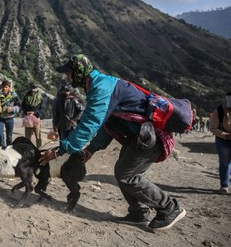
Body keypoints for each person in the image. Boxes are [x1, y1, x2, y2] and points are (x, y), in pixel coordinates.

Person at [39, 54, 186, 231]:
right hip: (138, 138)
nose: (67, 77)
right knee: (123, 171)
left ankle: (170, 207)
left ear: (79, 72)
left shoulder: (101, 88)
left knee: (126, 174)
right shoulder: (99, 85)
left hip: (150, 137)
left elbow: (90, 123)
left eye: (69, 72)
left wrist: (59, 150)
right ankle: (138, 213)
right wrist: (92, 149)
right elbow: (107, 123)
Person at [209, 92, 231, 194]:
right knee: (224, 162)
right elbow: (213, 128)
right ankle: (224, 186)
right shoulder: (218, 111)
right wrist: (225, 135)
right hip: (223, 140)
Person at [0, 80, 20, 148]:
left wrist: (12, 109)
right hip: (0, 118)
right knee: (0, 135)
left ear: (9, 87)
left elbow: (18, 107)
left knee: (9, 136)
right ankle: (3, 148)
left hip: (10, 118)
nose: (4, 88)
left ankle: (9, 149)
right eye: (3, 87)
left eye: (6, 87)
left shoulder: (14, 96)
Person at [21, 83, 47, 148]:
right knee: (27, 136)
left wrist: (35, 113)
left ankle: (39, 149)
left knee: (38, 136)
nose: (33, 89)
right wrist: (27, 113)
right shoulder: (26, 96)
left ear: (37, 88)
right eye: (32, 87)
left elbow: (43, 109)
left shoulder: (41, 97)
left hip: (36, 118)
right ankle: (28, 149)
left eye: (35, 87)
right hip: (28, 118)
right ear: (30, 87)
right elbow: (23, 106)